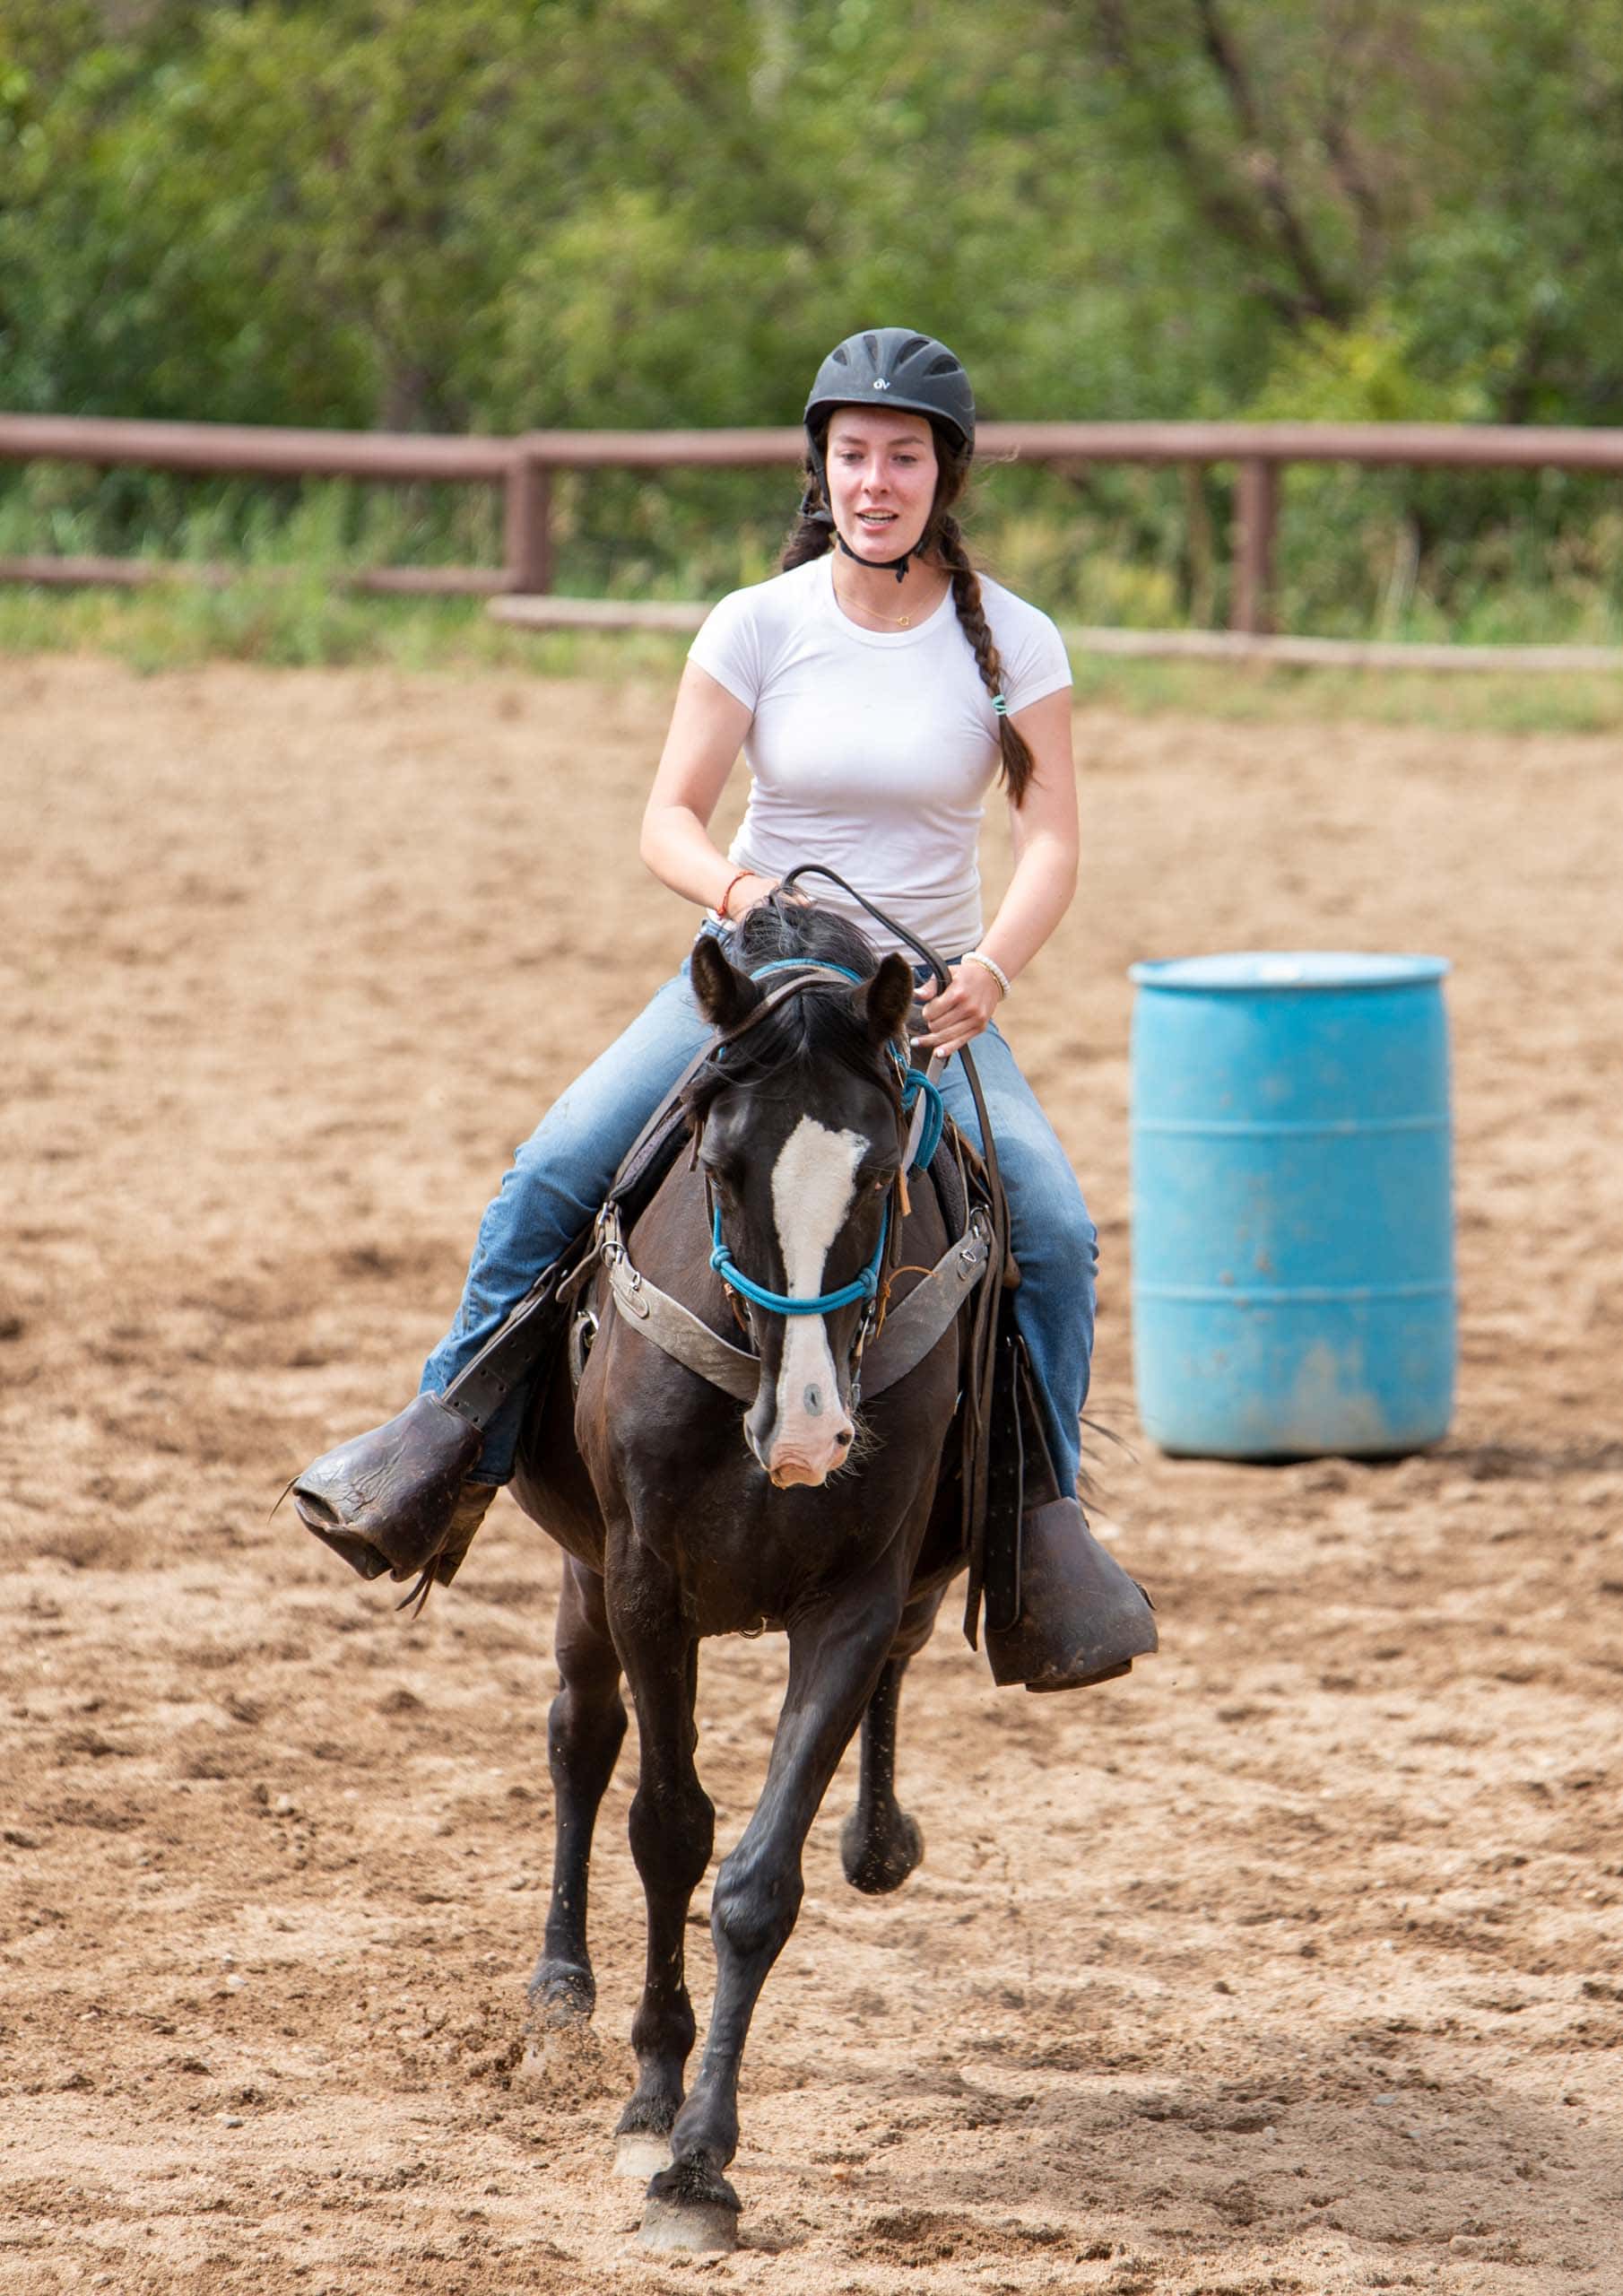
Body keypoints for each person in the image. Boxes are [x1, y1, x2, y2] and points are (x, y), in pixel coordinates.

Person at [294, 326, 1154, 1691]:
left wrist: (989, 968)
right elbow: (665, 818)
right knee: (557, 1166)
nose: (876, 481)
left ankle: (1035, 1532)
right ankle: (438, 1438)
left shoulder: (1015, 644)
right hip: (750, 985)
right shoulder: (758, 623)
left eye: (904, 458)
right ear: (821, 467)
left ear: (947, 475)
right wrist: (743, 892)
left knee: (1050, 1230)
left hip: (912, 1004)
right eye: (853, 455)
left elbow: (1049, 837)